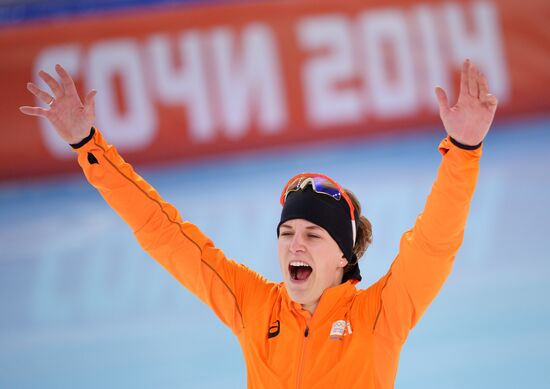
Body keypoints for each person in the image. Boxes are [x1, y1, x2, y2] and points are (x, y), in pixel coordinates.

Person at [20, 58, 498, 388]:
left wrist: (464, 152)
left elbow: (433, 244)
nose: (296, 245)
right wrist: (88, 145)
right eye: (287, 233)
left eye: (313, 234)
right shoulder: (253, 307)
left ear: (343, 257)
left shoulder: (379, 315)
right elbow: (162, 231)